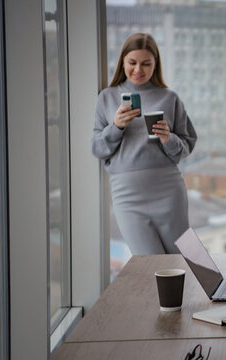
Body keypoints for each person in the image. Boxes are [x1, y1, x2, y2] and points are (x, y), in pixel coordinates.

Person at [92, 33, 197, 255]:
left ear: (155, 65)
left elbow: (186, 146)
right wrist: (116, 127)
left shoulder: (170, 98)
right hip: (127, 196)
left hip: (169, 191)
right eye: (132, 62)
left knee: (186, 259)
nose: (138, 69)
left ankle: (211, 289)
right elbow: (98, 148)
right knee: (149, 263)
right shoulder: (107, 98)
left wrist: (168, 138)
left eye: (146, 63)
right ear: (122, 62)